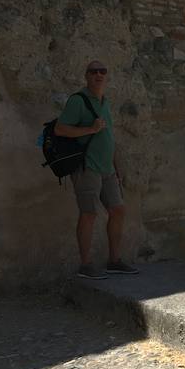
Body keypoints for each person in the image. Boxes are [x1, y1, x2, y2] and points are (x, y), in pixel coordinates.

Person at [55, 61, 138, 279]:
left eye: (103, 71)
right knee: (89, 213)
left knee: (118, 210)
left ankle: (114, 261)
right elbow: (60, 129)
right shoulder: (78, 100)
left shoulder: (105, 101)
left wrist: (117, 166)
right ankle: (85, 265)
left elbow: (109, 137)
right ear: (86, 76)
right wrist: (90, 129)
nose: (98, 75)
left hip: (107, 168)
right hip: (87, 167)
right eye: (93, 71)